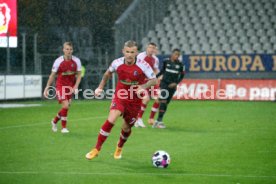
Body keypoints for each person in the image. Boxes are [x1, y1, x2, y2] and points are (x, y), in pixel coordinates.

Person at [85, 40, 157, 160]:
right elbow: (107, 74)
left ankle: (119, 147)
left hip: (135, 100)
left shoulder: (143, 65)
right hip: (121, 95)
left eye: (132, 52)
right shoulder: (116, 62)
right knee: (112, 118)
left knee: (126, 127)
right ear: (123, 51)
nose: (129, 55)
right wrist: (100, 87)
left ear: (136, 52)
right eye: (127, 52)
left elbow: (154, 80)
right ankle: (96, 149)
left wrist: (143, 87)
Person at [43, 42, 82, 133]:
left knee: (67, 106)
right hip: (60, 86)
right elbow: (52, 75)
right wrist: (47, 88)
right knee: (65, 105)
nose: (69, 51)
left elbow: (79, 75)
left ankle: (54, 121)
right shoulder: (58, 61)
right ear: (63, 50)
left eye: (70, 49)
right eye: (67, 49)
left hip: (70, 86)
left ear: (73, 50)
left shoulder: (77, 61)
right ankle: (64, 128)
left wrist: (75, 86)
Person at [153, 48, 184, 128]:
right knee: (163, 101)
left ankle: (157, 121)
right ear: (172, 54)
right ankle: (159, 122)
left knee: (165, 103)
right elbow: (162, 71)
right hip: (164, 84)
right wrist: (155, 77)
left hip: (172, 86)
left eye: (178, 55)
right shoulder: (166, 61)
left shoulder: (180, 65)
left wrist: (175, 83)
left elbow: (182, 76)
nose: (177, 56)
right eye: (175, 54)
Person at [134, 42, 160, 128]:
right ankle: (139, 119)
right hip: (142, 81)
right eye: (150, 47)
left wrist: (158, 76)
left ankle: (151, 119)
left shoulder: (155, 59)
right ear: (147, 48)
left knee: (158, 99)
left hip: (151, 81)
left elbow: (155, 70)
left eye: (153, 48)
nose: (151, 49)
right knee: (146, 98)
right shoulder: (141, 56)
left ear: (155, 49)